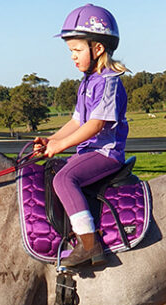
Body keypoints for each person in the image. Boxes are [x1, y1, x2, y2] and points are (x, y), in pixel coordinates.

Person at [34, 4, 129, 268]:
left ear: (97, 48)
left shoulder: (109, 82)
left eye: (77, 50)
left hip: (106, 153)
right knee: (53, 171)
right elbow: (77, 121)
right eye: (70, 52)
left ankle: (89, 244)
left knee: (65, 179)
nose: (73, 57)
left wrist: (62, 145)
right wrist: (51, 141)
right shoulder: (87, 82)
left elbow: (95, 125)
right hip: (88, 152)